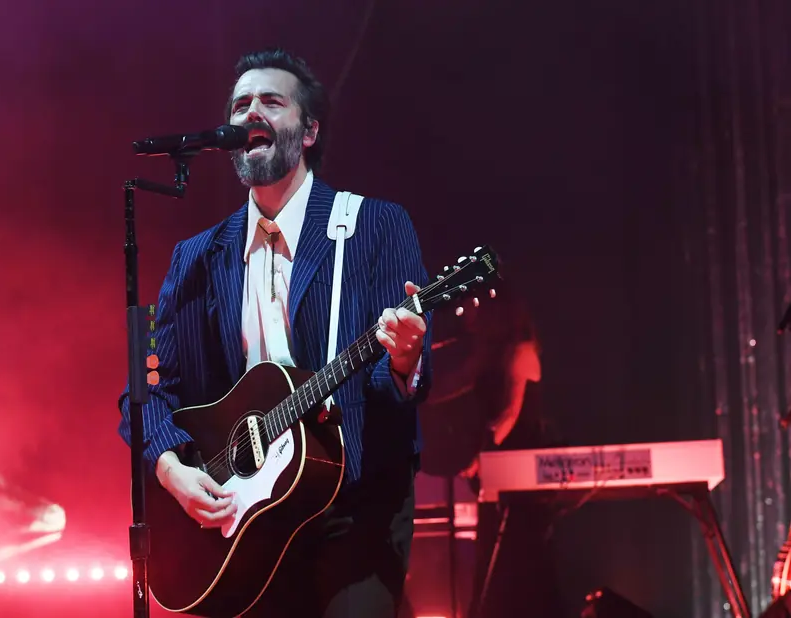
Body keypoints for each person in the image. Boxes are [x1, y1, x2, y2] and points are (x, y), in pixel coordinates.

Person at [117, 48, 434, 618]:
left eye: (270, 101)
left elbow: (396, 387)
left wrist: (405, 360)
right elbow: (146, 393)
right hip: (249, 522)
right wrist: (173, 471)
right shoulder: (197, 259)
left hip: (353, 508)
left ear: (309, 129)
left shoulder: (372, 227)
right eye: (240, 105)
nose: (251, 115)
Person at [417, 280, 562, 618]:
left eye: (477, 308)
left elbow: (508, 416)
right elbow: (447, 387)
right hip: (496, 470)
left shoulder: (520, 350)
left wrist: (481, 457)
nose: (471, 316)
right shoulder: (487, 355)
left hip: (518, 467)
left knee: (516, 560)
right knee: (491, 559)